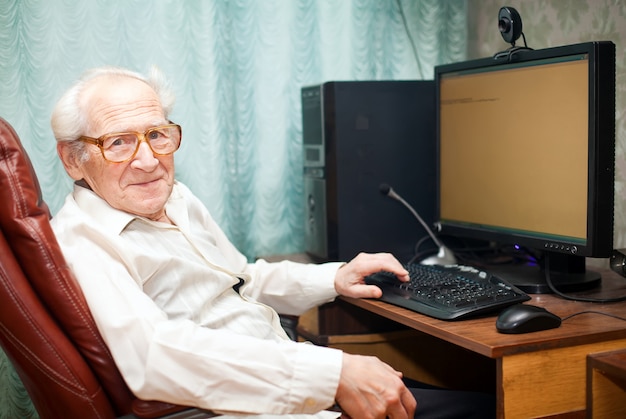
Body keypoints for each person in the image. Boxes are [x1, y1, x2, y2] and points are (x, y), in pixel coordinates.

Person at [49, 66, 494, 419]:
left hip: (290, 373)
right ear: (73, 159)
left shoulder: (175, 197)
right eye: (119, 143)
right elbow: (154, 358)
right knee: (488, 407)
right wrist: (333, 373)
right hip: (248, 406)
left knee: (474, 398)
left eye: (157, 135)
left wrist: (335, 277)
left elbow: (241, 279)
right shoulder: (83, 241)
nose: (147, 160)